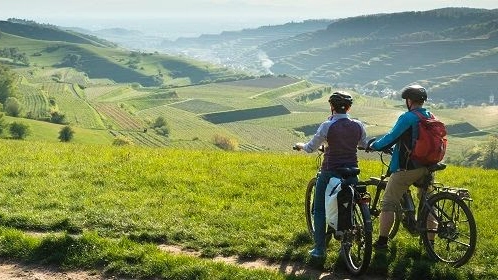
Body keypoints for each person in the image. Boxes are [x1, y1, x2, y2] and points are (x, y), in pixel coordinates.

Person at [294, 91, 369, 263]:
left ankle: (320, 250)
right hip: (352, 171)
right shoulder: (358, 125)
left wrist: (300, 145)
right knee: (349, 206)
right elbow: (364, 144)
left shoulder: (327, 126)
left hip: (330, 171)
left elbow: (311, 147)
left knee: (319, 209)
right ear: (349, 108)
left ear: (331, 107)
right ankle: (346, 243)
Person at [367, 84, 434, 249]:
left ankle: (382, 242)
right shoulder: (430, 116)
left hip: (408, 168)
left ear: (409, 101)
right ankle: (430, 243)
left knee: (388, 202)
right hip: (428, 166)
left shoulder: (408, 118)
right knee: (428, 203)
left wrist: (374, 145)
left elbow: (391, 137)